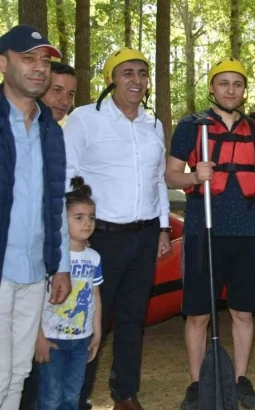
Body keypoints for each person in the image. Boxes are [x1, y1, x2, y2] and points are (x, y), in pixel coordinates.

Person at [65, 47, 171, 410]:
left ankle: (125, 393)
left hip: (144, 237)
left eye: (142, 73)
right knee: (92, 318)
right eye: (127, 72)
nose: (137, 80)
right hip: (101, 238)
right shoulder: (84, 119)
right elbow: (67, 172)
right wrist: (73, 229)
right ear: (111, 78)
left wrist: (163, 229)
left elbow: (158, 181)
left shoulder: (153, 124)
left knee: (132, 318)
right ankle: (77, 396)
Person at [166, 57, 255, 410]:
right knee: (198, 314)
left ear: (244, 89)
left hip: (245, 231)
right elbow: (170, 176)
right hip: (202, 229)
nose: (231, 90)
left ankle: (241, 379)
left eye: (237, 84)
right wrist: (195, 177)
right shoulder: (191, 125)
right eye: (223, 83)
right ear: (211, 87)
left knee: (243, 312)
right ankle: (197, 384)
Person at [0, 24, 71, 410]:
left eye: (44, 61)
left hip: (33, 272)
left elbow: (55, 201)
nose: (39, 68)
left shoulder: (50, 129)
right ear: (2, 62)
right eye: (28, 58)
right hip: (1, 269)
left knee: (18, 372)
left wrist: (60, 265)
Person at [35, 177, 102, 410]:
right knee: (50, 398)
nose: (87, 223)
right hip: (53, 339)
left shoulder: (94, 258)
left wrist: (97, 331)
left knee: (72, 397)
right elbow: (35, 300)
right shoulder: (49, 258)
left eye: (91, 217)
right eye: (79, 218)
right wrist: (39, 338)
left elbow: (95, 295)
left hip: (81, 340)